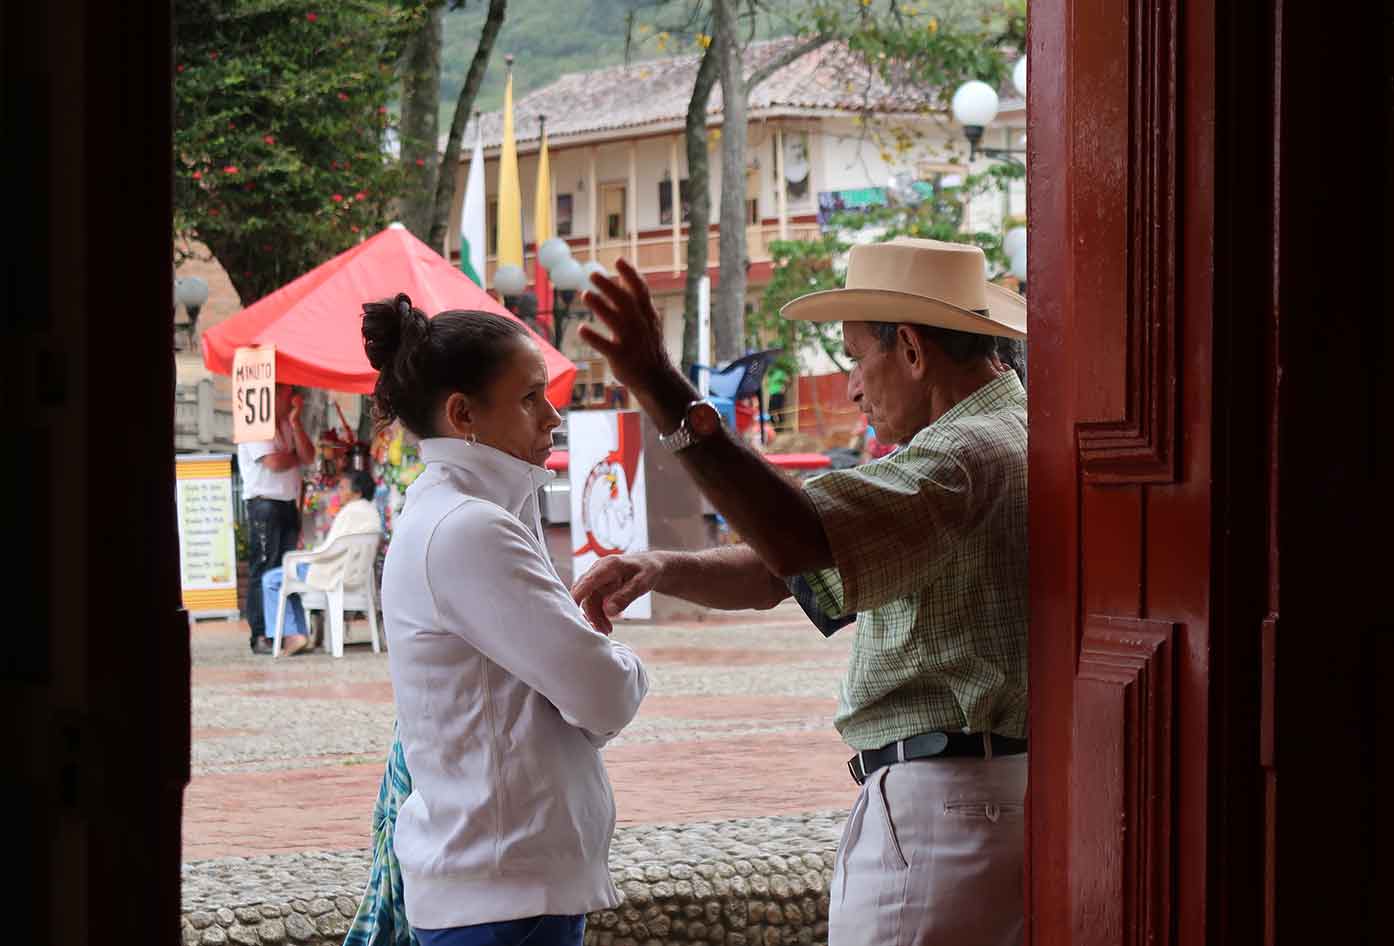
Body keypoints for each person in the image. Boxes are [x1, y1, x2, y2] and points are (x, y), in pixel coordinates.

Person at [571, 238, 1029, 946]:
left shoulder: (962, 459)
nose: (851, 385)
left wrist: (663, 389)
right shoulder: (1009, 433)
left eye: (855, 358)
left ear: (910, 349)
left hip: (945, 820)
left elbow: (798, 537)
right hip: (988, 803)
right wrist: (664, 566)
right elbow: (780, 572)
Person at [360, 292, 648, 946]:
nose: (553, 417)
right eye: (529, 398)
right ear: (462, 413)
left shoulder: (460, 513)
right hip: (500, 896)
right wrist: (628, 666)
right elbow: (601, 692)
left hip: (504, 885)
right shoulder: (467, 528)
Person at [261, 469, 382, 656]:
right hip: (352, 574)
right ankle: (297, 633)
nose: (338, 492)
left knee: (270, 579)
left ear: (357, 493)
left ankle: (294, 635)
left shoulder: (350, 512)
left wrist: (304, 555)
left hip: (332, 572)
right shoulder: (371, 512)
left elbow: (329, 549)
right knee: (286, 577)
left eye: (342, 488)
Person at [239, 383, 315, 655]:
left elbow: (309, 455)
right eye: (287, 393)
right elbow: (273, 462)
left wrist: (296, 424)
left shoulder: (286, 424)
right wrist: (294, 458)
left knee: (286, 569)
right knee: (264, 567)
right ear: (272, 396)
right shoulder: (255, 424)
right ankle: (261, 633)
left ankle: (288, 631)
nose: (294, 398)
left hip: (286, 503)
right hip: (264, 503)